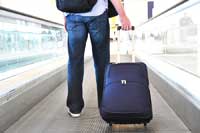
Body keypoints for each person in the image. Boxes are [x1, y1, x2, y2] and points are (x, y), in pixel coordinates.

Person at [64, 0, 132, 118]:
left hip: (72, 15)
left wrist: (65, 15)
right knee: (101, 62)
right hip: (97, 15)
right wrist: (123, 16)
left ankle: (74, 108)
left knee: (74, 62)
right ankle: (104, 104)